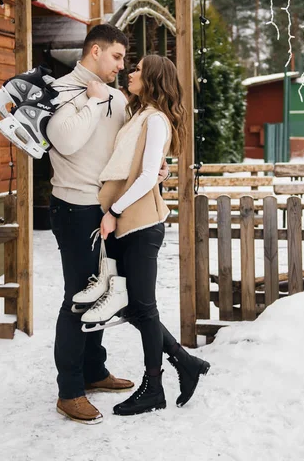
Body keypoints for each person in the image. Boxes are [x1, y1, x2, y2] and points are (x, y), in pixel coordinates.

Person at [46, 25, 168, 425]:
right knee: (78, 297)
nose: (122, 66)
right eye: (117, 57)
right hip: (74, 207)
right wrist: (94, 103)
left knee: (101, 294)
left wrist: (155, 168)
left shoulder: (118, 97)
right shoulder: (63, 90)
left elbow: (128, 147)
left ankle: (95, 370)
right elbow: (64, 141)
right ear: (95, 51)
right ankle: (69, 390)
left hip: (106, 211)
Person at [98, 54, 211, 416]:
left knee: (143, 308)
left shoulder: (157, 120)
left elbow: (147, 175)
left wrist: (114, 211)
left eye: (137, 69)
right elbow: (144, 170)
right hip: (127, 224)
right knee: (132, 307)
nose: (130, 72)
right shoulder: (139, 116)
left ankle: (153, 387)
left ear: (152, 79)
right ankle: (184, 361)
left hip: (141, 226)